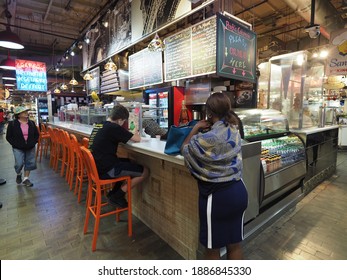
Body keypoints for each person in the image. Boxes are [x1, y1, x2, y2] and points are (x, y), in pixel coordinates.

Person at [181, 92, 248, 260]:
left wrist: (195, 128)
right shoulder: (234, 129)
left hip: (217, 198)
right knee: (234, 244)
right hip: (239, 190)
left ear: (209, 113)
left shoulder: (205, 138)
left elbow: (185, 149)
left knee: (212, 248)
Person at [90, 104, 149, 208]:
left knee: (128, 162)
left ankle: (113, 193)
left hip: (96, 168)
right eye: (124, 121)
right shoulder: (114, 127)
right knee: (145, 172)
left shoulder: (99, 125)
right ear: (120, 120)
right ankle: (117, 196)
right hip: (106, 170)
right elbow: (137, 139)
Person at [6, 106, 39, 187]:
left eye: (26, 112)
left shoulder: (31, 123)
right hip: (18, 147)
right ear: (19, 114)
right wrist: (15, 144)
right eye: (24, 112)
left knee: (30, 162)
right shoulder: (12, 124)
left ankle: (26, 179)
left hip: (30, 146)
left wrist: (34, 142)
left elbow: (36, 134)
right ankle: (19, 173)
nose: (26, 113)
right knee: (19, 163)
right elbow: (8, 137)